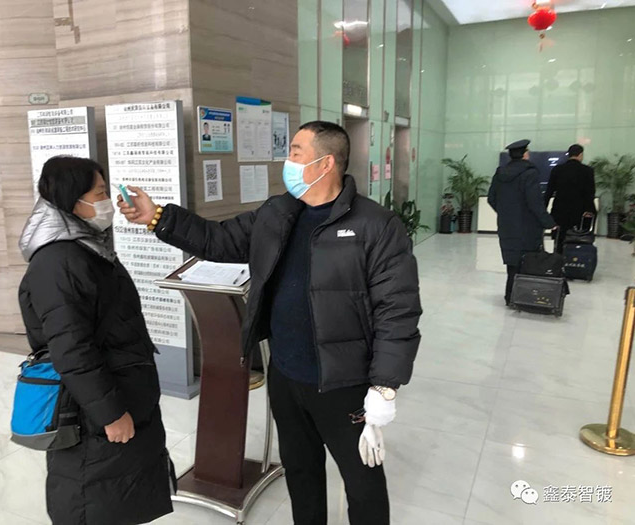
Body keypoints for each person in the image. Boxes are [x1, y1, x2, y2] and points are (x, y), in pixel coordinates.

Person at [119, 121, 422, 525]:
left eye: (295, 152)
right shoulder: (277, 213)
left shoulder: (376, 225)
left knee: (361, 478)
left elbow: (398, 309)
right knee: (300, 469)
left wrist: (384, 385)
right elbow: (217, 239)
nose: (287, 160)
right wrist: (157, 217)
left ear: (325, 163)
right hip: (286, 374)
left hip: (343, 382)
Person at [18, 156, 173, 525]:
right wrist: (110, 413)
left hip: (122, 388)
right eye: (100, 194)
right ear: (73, 201)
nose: (108, 203)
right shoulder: (58, 262)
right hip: (93, 411)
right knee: (93, 496)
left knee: (120, 493)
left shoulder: (84, 246)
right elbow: (72, 349)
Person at [488, 139, 556, 306]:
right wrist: (549, 222)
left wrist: (506, 214)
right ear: (525, 154)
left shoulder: (500, 173)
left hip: (507, 226)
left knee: (512, 262)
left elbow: (491, 198)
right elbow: (535, 203)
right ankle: (524, 297)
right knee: (528, 262)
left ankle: (510, 296)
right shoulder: (530, 173)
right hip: (528, 228)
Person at [544, 144, 597, 253]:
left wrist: (543, 208)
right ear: (580, 155)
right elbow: (590, 193)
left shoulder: (557, 170)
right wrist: (590, 210)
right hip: (579, 213)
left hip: (560, 211)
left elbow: (549, 191)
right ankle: (575, 258)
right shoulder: (587, 171)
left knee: (559, 238)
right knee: (577, 239)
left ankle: (558, 257)